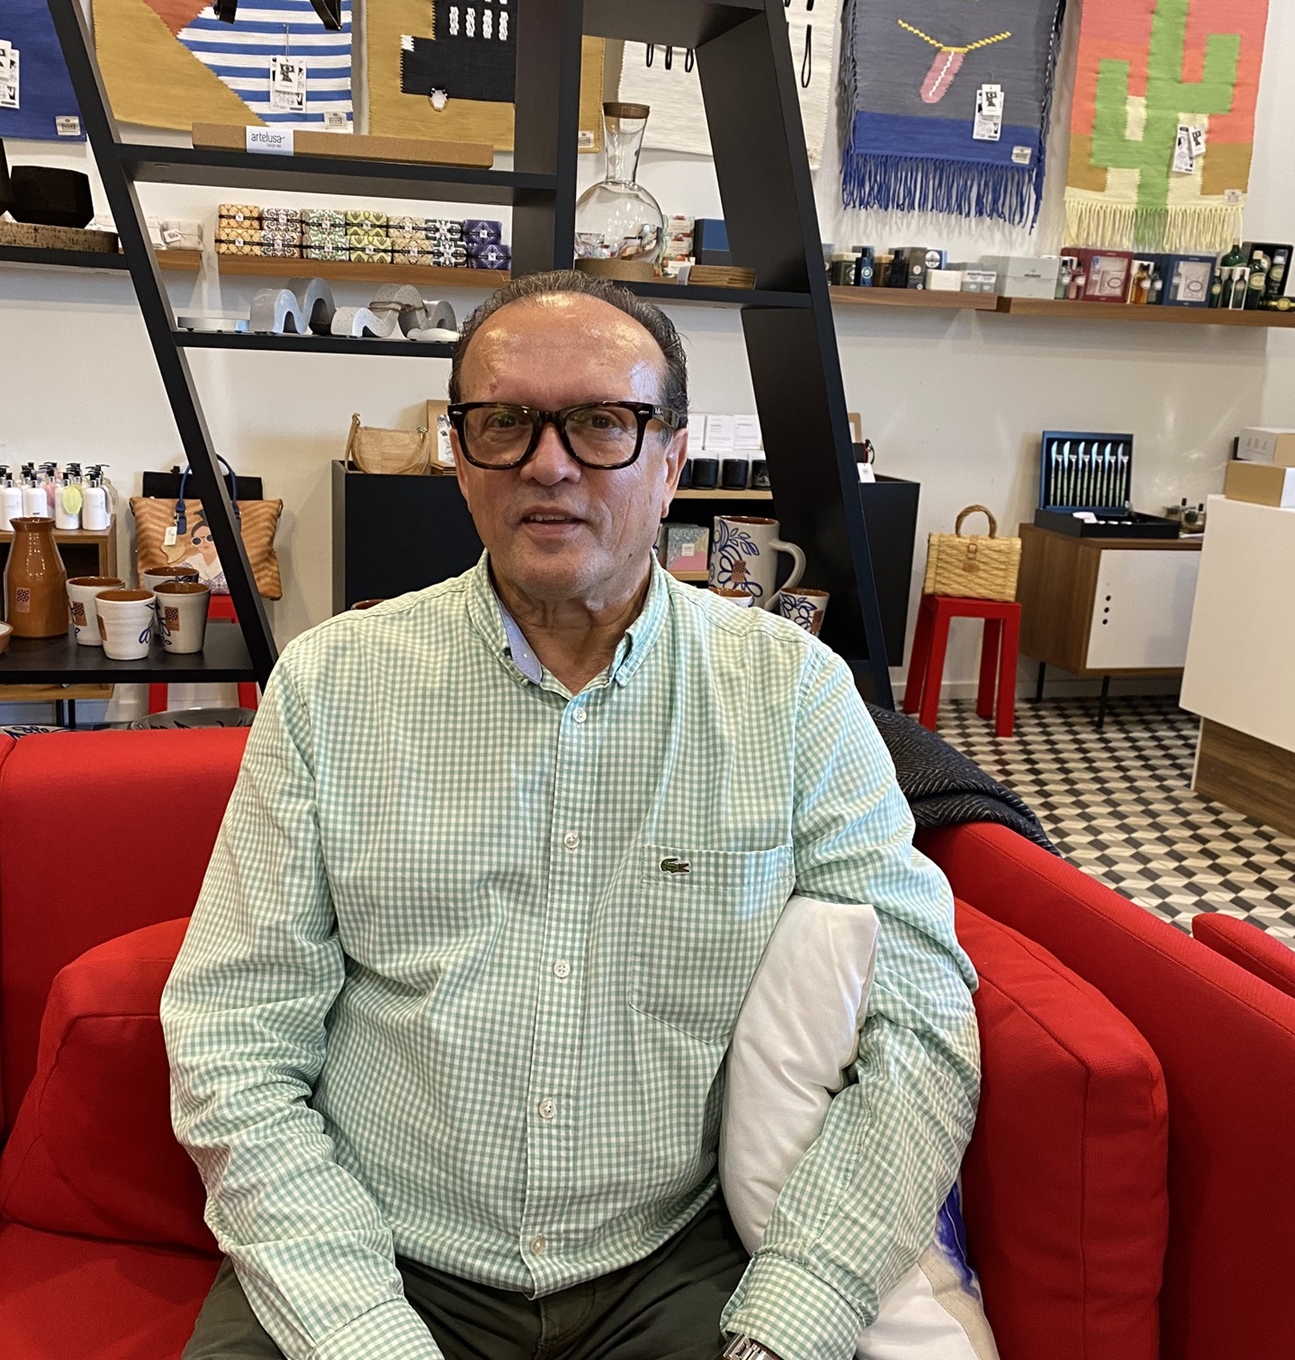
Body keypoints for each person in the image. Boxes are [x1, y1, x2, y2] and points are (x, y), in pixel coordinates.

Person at [162, 269, 980, 1360]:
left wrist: (798, 1308)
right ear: (461, 459)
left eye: (602, 422)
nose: (547, 464)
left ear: (673, 460)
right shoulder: (330, 687)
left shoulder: (791, 695)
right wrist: (363, 1332)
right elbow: (234, 1034)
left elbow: (919, 1016)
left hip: (672, 1261)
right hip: (378, 1249)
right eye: (504, 423)